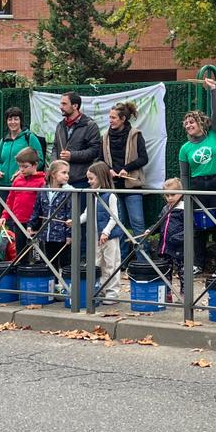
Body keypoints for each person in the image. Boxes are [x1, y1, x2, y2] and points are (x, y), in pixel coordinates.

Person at [178, 109, 216, 276]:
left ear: (201, 123)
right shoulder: (185, 148)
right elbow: (184, 174)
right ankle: (198, 264)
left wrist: (212, 91)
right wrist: (185, 194)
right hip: (198, 185)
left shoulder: (214, 135)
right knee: (198, 227)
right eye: (186, 123)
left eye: (192, 122)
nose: (188, 125)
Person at [105, 101, 151, 239]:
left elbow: (144, 158)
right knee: (118, 223)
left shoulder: (135, 134)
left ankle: (143, 259)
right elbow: (100, 159)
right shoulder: (105, 136)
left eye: (113, 118)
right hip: (114, 187)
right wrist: (109, 170)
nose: (110, 120)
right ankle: (122, 259)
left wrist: (126, 169)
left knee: (137, 223)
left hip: (132, 187)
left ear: (123, 119)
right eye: (110, 117)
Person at [0, 147, 47, 259]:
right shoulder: (17, 180)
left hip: (35, 221)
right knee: (20, 250)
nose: (21, 169)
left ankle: (37, 272)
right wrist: (4, 215)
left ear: (35, 165)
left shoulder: (41, 181)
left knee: (37, 252)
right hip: (18, 220)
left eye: (25, 166)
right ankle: (21, 271)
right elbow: (10, 199)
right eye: (19, 166)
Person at [86, 160, 124, 299]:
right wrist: (75, 221)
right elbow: (87, 213)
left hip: (109, 236)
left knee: (111, 264)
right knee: (98, 264)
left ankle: (112, 292)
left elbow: (114, 217)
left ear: (100, 177)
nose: (89, 182)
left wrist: (106, 232)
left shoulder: (110, 195)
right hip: (96, 236)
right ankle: (101, 289)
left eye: (91, 178)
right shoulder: (92, 194)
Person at [53, 92, 103, 188]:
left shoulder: (90, 125)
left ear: (75, 106)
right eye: (61, 103)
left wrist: (72, 156)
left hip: (81, 180)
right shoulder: (60, 125)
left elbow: (94, 151)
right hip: (61, 181)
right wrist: (55, 164)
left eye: (64, 104)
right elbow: (55, 147)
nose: (60, 107)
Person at [34, 160, 74, 271]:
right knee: (50, 263)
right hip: (47, 234)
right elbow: (37, 209)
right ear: (53, 174)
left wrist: (69, 234)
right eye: (63, 173)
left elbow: (70, 214)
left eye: (68, 173)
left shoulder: (68, 192)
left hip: (62, 235)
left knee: (65, 263)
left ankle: (66, 286)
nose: (67, 176)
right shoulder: (43, 190)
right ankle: (53, 285)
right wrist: (31, 226)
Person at [151, 177, 187, 296]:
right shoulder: (165, 209)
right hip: (165, 246)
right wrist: (151, 230)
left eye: (173, 194)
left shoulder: (184, 209)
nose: (170, 198)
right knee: (166, 271)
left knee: (183, 271)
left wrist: (177, 238)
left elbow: (190, 228)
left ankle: (184, 294)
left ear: (181, 194)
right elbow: (159, 223)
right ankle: (167, 293)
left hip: (180, 247)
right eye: (167, 195)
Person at [0, 107, 47, 186]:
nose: (13, 122)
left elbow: (40, 160)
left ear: (21, 121)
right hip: (3, 185)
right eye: (10, 119)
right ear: (6, 122)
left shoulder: (29, 137)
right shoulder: (3, 141)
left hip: (23, 184)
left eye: (16, 119)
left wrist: (23, 172)